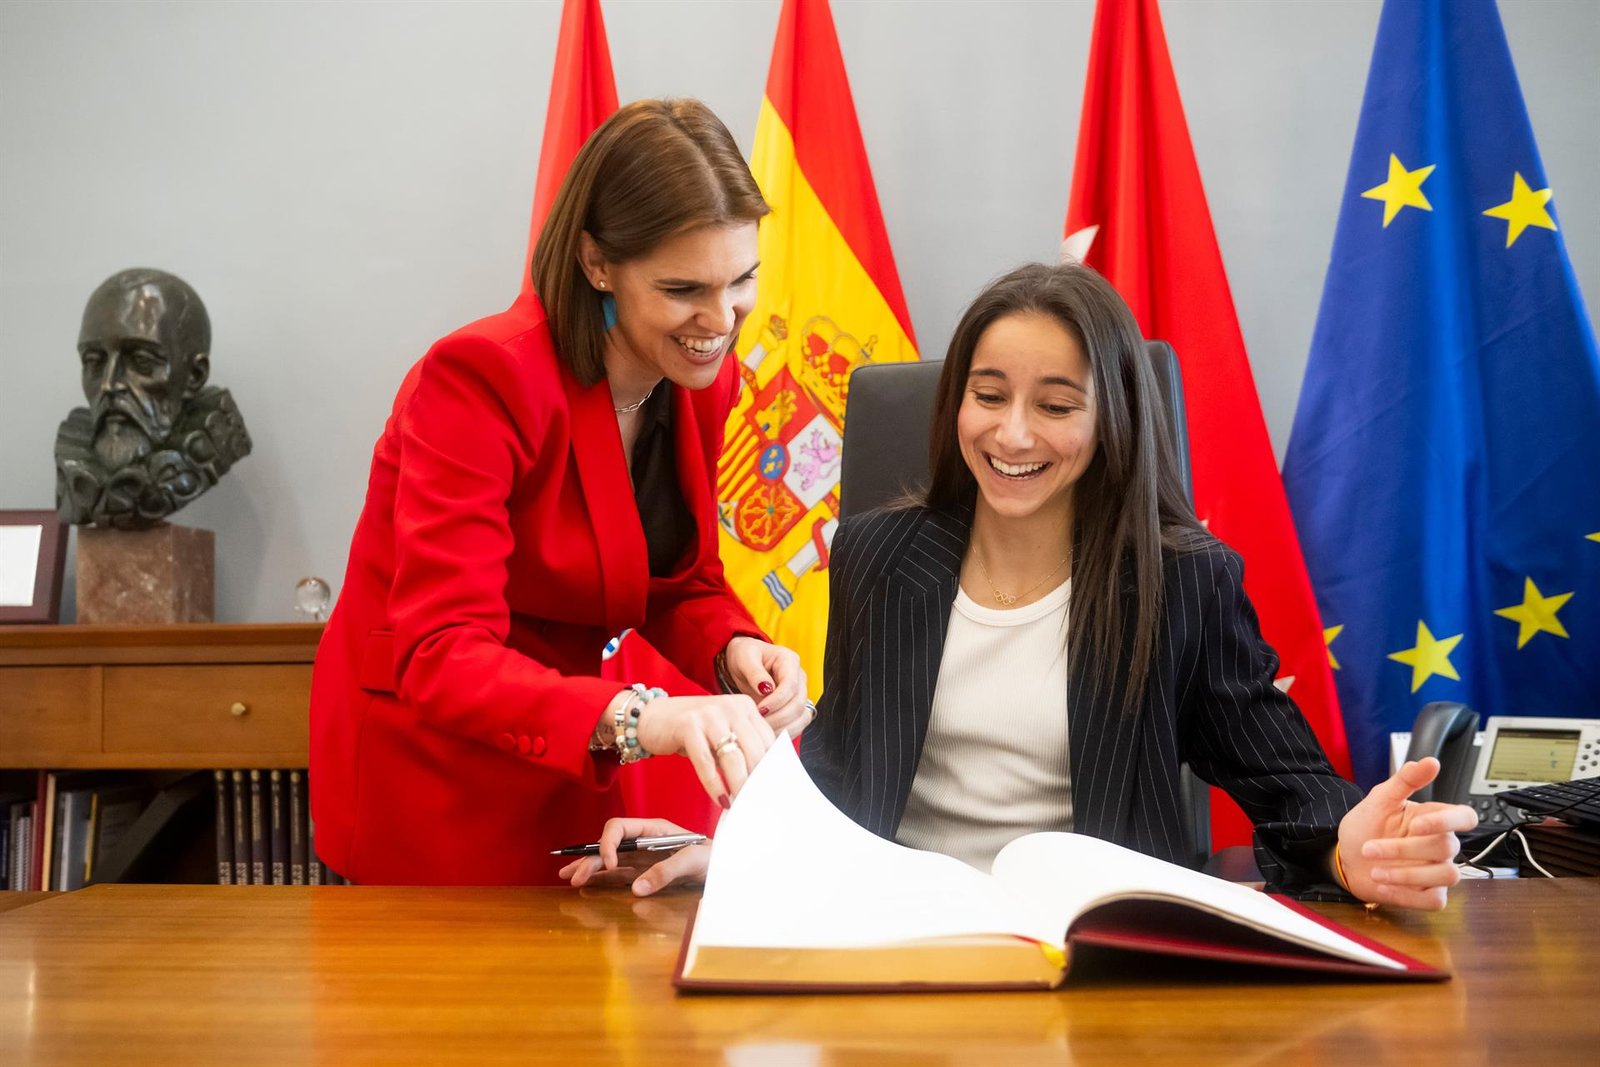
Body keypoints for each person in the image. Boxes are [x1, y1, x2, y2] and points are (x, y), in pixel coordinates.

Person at [565, 262, 1477, 909]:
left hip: (1099, 958)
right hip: (897, 936)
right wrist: (736, 854)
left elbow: (1293, 786)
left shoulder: (1184, 582)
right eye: (989, 393)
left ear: (1111, 415)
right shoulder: (881, 556)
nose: (1012, 433)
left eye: (1056, 404)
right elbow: (841, 789)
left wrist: (1349, 849)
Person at [311, 99, 812, 886]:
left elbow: (676, 581)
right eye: (685, 288)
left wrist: (735, 652)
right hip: (434, 768)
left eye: (742, 278)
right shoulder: (478, 379)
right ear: (596, 262)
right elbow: (442, 652)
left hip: (577, 750)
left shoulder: (700, 385)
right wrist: (650, 717)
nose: (722, 319)